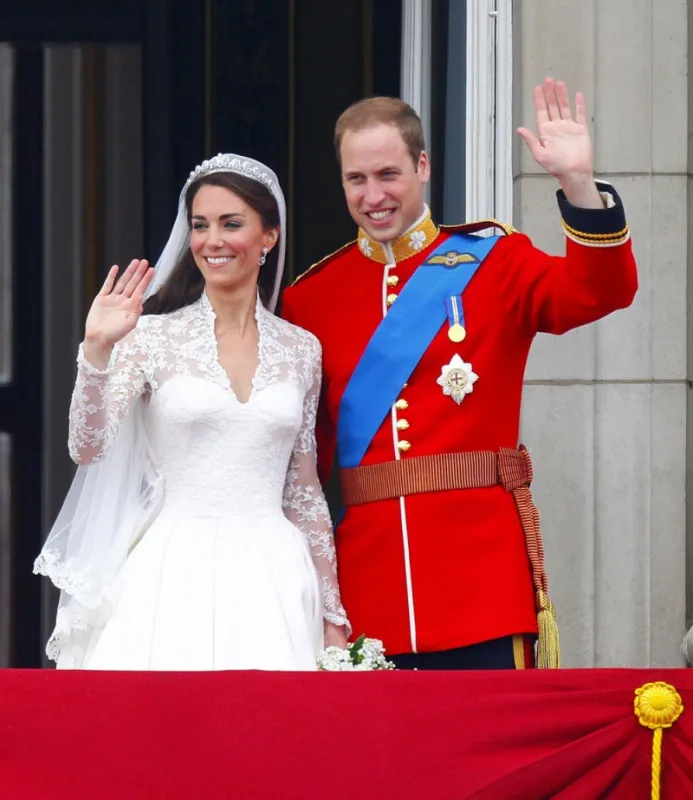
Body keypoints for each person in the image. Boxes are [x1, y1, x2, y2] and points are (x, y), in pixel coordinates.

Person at [281, 79, 638, 671]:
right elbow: (300, 462)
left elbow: (602, 290)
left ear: (423, 167)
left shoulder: (495, 263)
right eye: (356, 179)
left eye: (388, 174)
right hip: (370, 594)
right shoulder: (310, 299)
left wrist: (576, 183)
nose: (374, 196)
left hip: (483, 589)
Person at [35, 154, 350, 670]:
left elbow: (303, 488)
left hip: (274, 574)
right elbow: (87, 446)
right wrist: (95, 352)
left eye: (232, 224)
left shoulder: (302, 349)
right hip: (172, 571)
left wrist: (332, 612)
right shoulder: (150, 337)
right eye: (200, 225)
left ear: (269, 235)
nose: (211, 241)